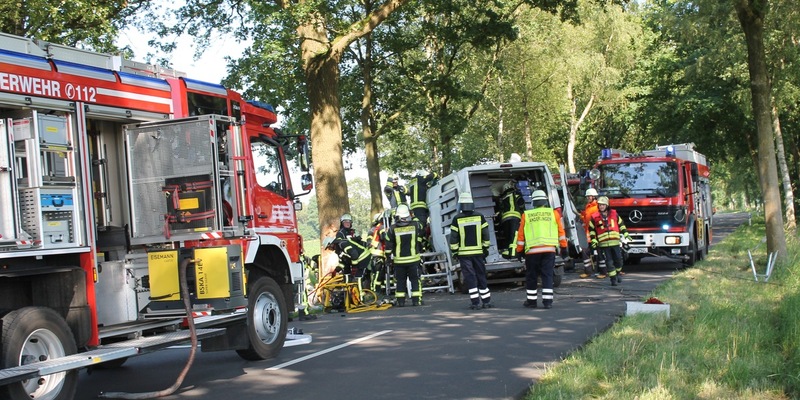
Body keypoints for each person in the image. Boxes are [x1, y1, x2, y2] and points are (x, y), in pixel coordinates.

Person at [515, 190, 567, 309]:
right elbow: (561, 232)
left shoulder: (526, 215)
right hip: (549, 250)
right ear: (545, 201)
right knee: (547, 275)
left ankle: (531, 302)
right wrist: (564, 247)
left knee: (532, 276)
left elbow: (521, 235)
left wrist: (519, 250)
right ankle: (547, 302)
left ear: (533, 202)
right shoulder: (553, 214)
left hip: (532, 252)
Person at [449, 192, 493, 310]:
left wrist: (454, 251)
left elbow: (453, 237)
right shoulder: (480, 216)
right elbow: (486, 234)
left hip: (464, 254)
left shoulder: (457, 218)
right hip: (478, 253)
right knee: (481, 275)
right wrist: (485, 247)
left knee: (470, 278)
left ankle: (475, 303)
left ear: (461, 205)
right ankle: (486, 301)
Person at [383, 204, 424, 306]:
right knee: (415, 280)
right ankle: (416, 301)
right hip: (414, 259)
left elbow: (388, 246)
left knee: (400, 281)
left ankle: (400, 301)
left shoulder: (392, 229)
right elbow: (422, 228)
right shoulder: (415, 225)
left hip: (399, 261)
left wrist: (388, 258)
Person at [587, 196, 632, 286]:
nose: (601, 206)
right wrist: (594, 239)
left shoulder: (614, 214)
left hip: (615, 242)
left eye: (603, 205)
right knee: (609, 262)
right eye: (600, 205)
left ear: (607, 205)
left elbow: (621, 224)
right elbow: (591, 229)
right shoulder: (594, 217)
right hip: (603, 244)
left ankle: (618, 273)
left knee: (619, 260)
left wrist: (625, 233)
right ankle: (613, 279)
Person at [498, 181, 524, 259]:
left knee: (508, 236)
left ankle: (507, 252)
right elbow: (522, 204)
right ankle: (513, 255)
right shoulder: (516, 195)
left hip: (505, 219)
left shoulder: (502, 198)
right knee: (514, 237)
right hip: (515, 218)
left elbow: (500, 210)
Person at [579, 188, 600, 279]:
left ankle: (600, 271)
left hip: (595, 234)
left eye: (589, 196)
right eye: (587, 196)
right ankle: (588, 271)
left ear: (594, 197)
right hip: (589, 233)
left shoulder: (597, 207)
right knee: (586, 252)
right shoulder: (588, 206)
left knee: (597, 252)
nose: (587, 198)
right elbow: (587, 220)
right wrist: (582, 216)